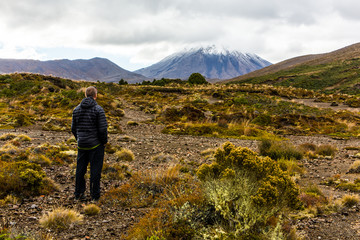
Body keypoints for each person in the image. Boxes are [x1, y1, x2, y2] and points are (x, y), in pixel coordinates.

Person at [71, 86, 108, 201]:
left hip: (82, 144)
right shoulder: (98, 109)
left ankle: (79, 193)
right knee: (95, 170)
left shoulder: (76, 110)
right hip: (96, 145)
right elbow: (103, 129)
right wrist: (104, 142)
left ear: (86, 95)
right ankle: (95, 196)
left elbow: (73, 128)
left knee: (80, 169)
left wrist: (79, 139)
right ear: (95, 96)